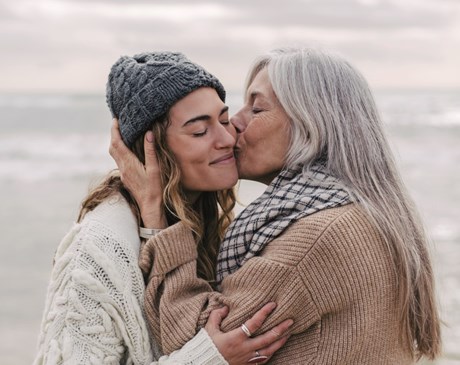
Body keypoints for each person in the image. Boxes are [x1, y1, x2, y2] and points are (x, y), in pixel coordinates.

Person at [110, 47, 442, 364]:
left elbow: (195, 343)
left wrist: (154, 215)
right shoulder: (356, 210)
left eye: (256, 109)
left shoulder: (317, 238)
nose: (234, 123)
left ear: (311, 124)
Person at [33, 52, 292, 365]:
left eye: (224, 120)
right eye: (199, 131)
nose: (227, 138)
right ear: (152, 147)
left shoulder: (206, 220)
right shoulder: (101, 245)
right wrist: (210, 358)